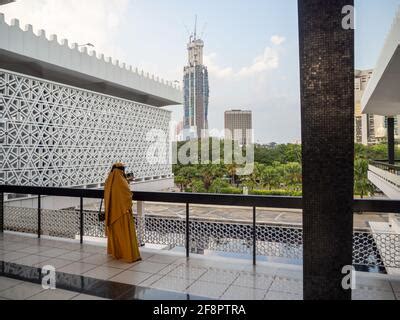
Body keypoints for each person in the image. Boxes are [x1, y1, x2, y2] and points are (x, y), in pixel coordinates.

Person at [104, 162, 141, 263]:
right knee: (125, 234)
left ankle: (116, 253)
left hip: (112, 214)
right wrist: (127, 182)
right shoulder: (121, 180)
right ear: (121, 170)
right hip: (122, 213)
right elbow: (127, 195)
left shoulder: (108, 180)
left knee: (116, 235)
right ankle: (128, 254)